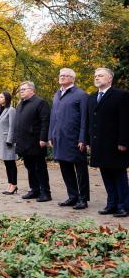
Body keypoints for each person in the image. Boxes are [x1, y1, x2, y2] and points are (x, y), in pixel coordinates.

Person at [86, 67, 129, 217]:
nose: (96, 78)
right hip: (99, 144)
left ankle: (123, 206)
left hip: (115, 144)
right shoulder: (91, 97)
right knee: (105, 174)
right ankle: (111, 204)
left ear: (109, 79)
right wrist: (87, 141)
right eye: (95, 75)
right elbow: (90, 122)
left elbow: (125, 121)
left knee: (119, 175)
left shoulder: (120, 95)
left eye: (100, 75)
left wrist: (123, 142)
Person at [48, 68, 89, 209]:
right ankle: (72, 196)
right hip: (59, 138)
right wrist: (50, 135)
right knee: (65, 168)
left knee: (81, 170)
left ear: (73, 78)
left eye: (66, 75)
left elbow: (85, 119)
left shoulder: (81, 94)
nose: (62, 77)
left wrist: (83, 139)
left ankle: (83, 199)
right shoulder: (57, 94)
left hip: (75, 139)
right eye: (61, 75)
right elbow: (53, 117)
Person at [13, 81, 52, 202]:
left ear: (32, 90)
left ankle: (45, 192)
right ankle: (34, 190)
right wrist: (15, 139)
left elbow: (45, 122)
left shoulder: (40, 102)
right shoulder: (20, 104)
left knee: (39, 168)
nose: (21, 91)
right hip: (23, 142)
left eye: (24, 89)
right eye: (20, 89)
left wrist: (43, 138)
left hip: (36, 142)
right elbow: (17, 124)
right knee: (29, 167)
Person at [0, 91, 17, 195]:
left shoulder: (11, 110)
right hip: (0, 141)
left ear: (6, 98)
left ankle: (14, 185)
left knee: (11, 163)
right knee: (7, 164)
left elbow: (12, 126)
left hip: (8, 141)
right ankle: (10, 184)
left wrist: (10, 140)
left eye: (1, 97)